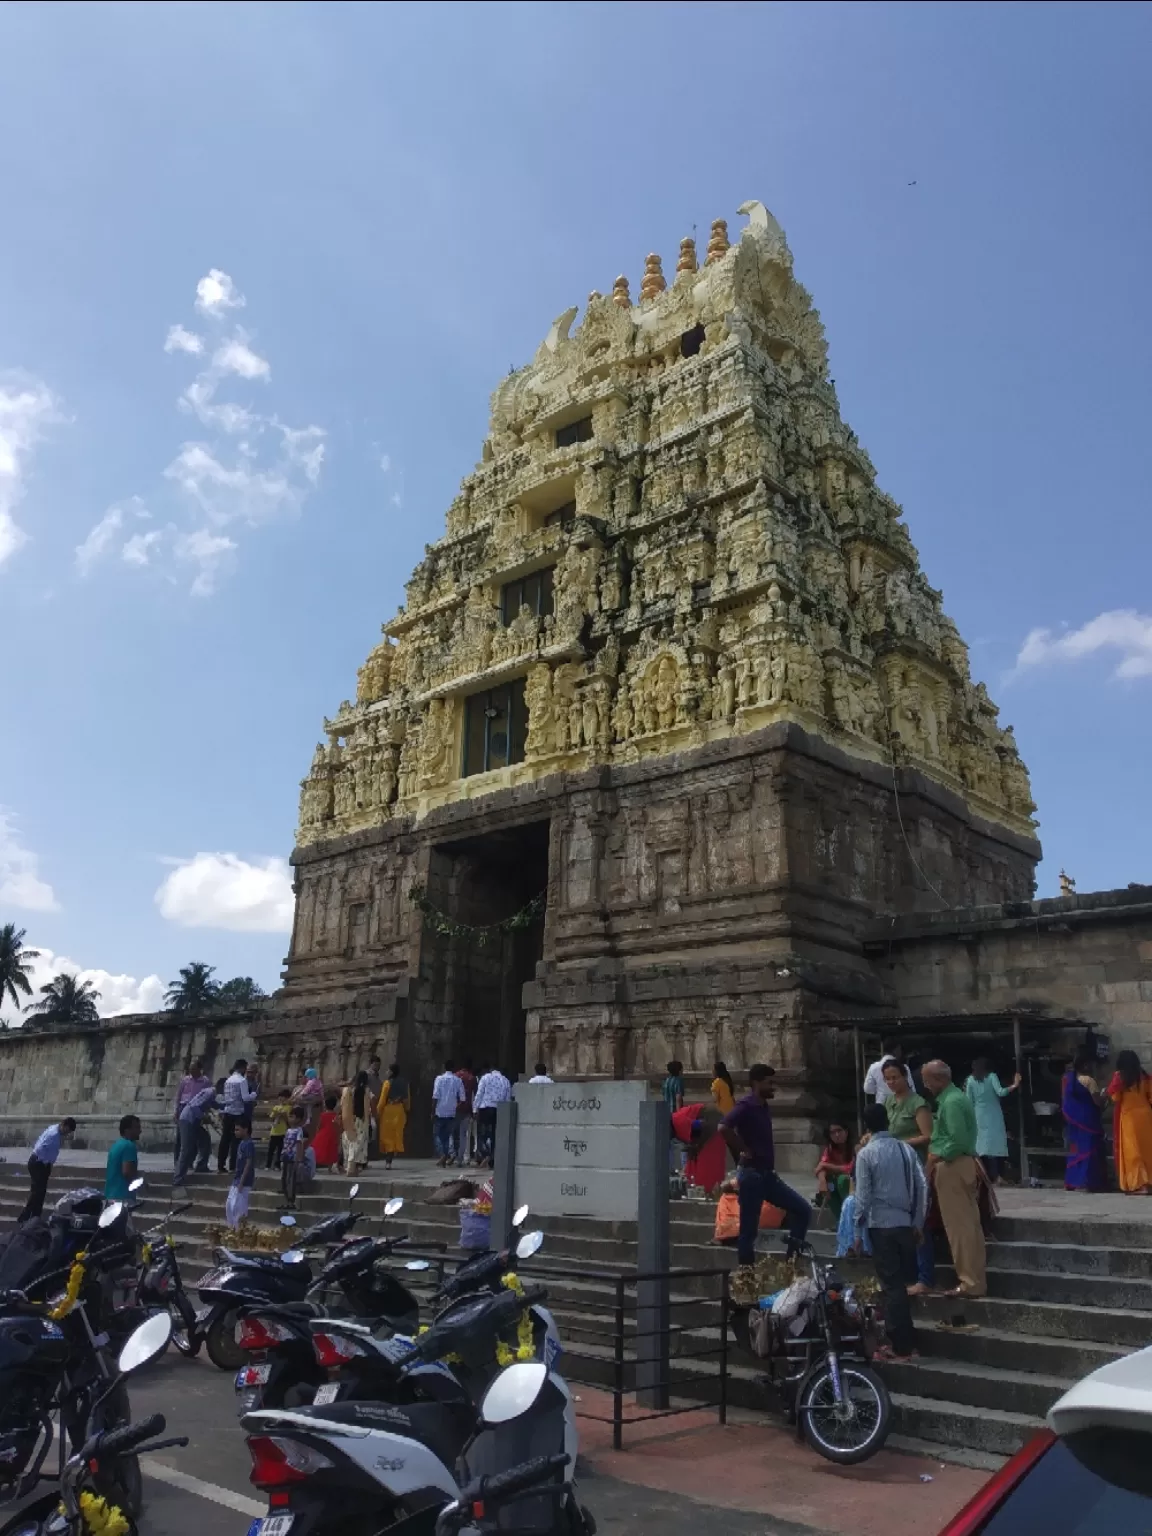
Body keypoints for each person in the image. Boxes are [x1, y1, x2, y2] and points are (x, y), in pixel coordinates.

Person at [852, 1102, 929, 1363]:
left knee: (892, 1287)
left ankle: (902, 1347)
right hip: (905, 1224)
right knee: (902, 1285)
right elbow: (921, 1187)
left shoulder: (866, 1154)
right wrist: (917, 1222)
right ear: (888, 1121)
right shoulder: (906, 1149)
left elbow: (862, 1198)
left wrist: (856, 1232)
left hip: (881, 1226)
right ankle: (909, 1342)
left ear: (867, 1126)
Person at [720, 1064, 812, 1272]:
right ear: (756, 1083)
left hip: (766, 1175)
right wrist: (742, 1149)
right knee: (748, 1231)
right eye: (769, 1083)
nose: (773, 1087)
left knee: (803, 1210)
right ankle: (746, 1278)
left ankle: (791, 1264)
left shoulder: (763, 1106)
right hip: (751, 1176)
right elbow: (723, 1127)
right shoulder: (746, 1105)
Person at [922, 1059, 986, 1298]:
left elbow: (957, 1141)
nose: (926, 1086)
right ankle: (974, 1281)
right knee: (968, 1227)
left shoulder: (951, 1102)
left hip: (952, 1165)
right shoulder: (953, 1099)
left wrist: (936, 1157)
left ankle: (969, 1281)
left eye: (927, 1081)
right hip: (958, 1164)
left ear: (939, 1079)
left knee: (960, 1229)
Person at [884, 1059, 937, 1293]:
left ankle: (925, 1278)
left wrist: (900, 1143)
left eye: (895, 1077)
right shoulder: (888, 1102)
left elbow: (928, 1136)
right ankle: (908, 1274)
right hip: (894, 1171)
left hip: (915, 1168)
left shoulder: (918, 1104)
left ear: (905, 1076)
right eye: (887, 1079)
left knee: (919, 1222)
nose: (892, 1082)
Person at [964, 1058, 1021, 1183]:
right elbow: (1000, 1092)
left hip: (978, 1114)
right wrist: (1014, 1085)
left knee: (981, 1145)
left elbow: (968, 1100)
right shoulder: (991, 1077)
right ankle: (998, 1175)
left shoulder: (970, 1080)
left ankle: (984, 1175)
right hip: (993, 1114)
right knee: (996, 1145)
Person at [1107, 1050, 1152, 1194]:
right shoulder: (1144, 1076)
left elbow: (1115, 1097)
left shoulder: (1120, 1077)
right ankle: (1149, 1183)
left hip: (1129, 1118)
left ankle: (1141, 1185)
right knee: (1147, 1151)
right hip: (1146, 1117)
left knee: (1133, 1153)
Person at [1062, 1050, 1108, 1192]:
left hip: (1073, 1122)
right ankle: (1088, 1183)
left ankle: (1072, 1182)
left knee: (1076, 1151)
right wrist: (1106, 1094)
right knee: (1090, 1151)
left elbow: (1066, 1100)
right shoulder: (1089, 1081)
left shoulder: (1066, 1078)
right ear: (1086, 1065)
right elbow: (1098, 1102)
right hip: (1089, 1121)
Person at [22, 1117, 76, 1221]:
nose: (67, 1133)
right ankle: (26, 1216)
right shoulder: (53, 1134)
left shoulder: (55, 1129)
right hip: (38, 1163)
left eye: (69, 1132)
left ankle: (35, 1216)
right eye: (67, 1130)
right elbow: (40, 1148)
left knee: (40, 1192)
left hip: (42, 1164)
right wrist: (44, 1162)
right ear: (63, 1125)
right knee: (37, 1192)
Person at [671, 1103, 726, 1193]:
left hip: (712, 1130)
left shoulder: (679, 1122)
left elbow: (703, 1126)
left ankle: (709, 1192)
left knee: (707, 1171)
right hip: (707, 1130)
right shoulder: (676, 1122)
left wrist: (697, 1146)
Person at [173, 1059, 214, 1173]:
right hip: (183, 1108)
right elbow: (179, 1095)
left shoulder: (205, 1082)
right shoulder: (185, 1080)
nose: (192, 1071)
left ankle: (190, 1162)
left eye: (194, 1069)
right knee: (181, 1138)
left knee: (195, 1137)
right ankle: (179, 1163)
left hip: (196, 1110)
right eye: (190, 1069)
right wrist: (176, 1111)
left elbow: (207, 1098)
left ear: (199, 1070)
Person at [173, 1082, 216, 1186]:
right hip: (188, 1120)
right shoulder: (209, 1092)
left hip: (193, 1121)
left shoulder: (211, 1095)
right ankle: (178, 1178)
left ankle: (201, 1166)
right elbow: (195, 1107)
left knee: (205, 1140)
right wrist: (204, 1117)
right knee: (186, 1149)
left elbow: (215, 1104)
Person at [218, 1059, 256, 1174]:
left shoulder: (228, 1080)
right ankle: (233, 1166)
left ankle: (221, 1165)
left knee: (225, 1139)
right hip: (238, 1112)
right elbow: (245, 1098)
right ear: (242, 1068)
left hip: (228, 1111)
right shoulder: (242, 1080)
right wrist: (253, 1095)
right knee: (236, 1140)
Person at [473, 1064, 512, 1166]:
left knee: (482, 1133)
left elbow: (479, 1093)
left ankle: (485, 1153)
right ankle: (492, 1157)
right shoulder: (505, 1080)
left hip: (485, 1107)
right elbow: (507, 1098)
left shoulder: (485, 1078)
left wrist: (475, 1109)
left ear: (491, 1070)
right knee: (495, 1134)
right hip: (499, 1109)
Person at [814, 1123, 854, 1217]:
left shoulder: (855, 1148)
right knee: (829, 1184)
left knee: (843, 1180)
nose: (836, 1135)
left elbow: (851, 1168)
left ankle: (850, 1218)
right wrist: (822, 1180)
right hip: (834, 1186)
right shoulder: (830, 1149)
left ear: (846, 1132)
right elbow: (820, 1168)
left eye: (839, 1131)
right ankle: (839, 1220)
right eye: (832, 1132)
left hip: (853, 1185)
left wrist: (826, 1165)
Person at [432, 1061, 466, 1167]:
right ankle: (445, 1156)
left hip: (440, 1111)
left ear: (444, 1067)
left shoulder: (439, 1079)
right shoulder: (458, 1080)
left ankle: (442, 1154)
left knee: (437, 1134)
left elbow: (435, 1096)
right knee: (446, 1136)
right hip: (451, 1112)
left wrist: (432, 1110)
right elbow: (463, 1098)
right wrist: (456, 1106)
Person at [377, 1063, 410, 1169]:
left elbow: (382, 1100)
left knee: (387, 1136)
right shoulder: (404, 1083)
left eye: (388, 1070)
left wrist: (378, 1111)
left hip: (389, 1111)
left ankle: (388, 1160)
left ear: (391, 1072)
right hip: (399, 1110)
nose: (386, 1072)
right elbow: (407, 1099)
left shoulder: (387, 1083)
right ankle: (390, 1159)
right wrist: (407, 1109)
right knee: (396, 1134)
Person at [226, 1118, 257, 1229]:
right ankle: (232, 1229)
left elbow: (248, 1164)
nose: (235, 1132)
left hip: (244, 1181)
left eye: (238, 1130)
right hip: (237, 1179)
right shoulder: (242, 1143)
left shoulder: (249, 1144)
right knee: (230, 1205)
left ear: (246, 1129)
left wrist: (242, 1182)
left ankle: (239, 1230)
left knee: (239, 1208)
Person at [341, 1071, 371, 1176]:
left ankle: (350, 1167)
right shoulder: (365, 1091)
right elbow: (366, 1108)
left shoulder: (347, 1090)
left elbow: (342, 1105)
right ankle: (350, 1167)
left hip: (348, 1118)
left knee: (348, 1141)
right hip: (360, 1120)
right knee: (357, 1143)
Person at [105, 1114, 141, 1201]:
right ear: (127, 1130)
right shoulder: (129, 1146)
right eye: (136, 1128)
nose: (140, 1131)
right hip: (123, 1197)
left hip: (110, 1195)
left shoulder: (116, 1145)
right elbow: (127, 1172)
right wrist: (140, 1182)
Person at [281, 1106, 308, 1209]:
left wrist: (299, 1159)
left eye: (292, 1116)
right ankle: (287, 1200)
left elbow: (299, 1145)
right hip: (286, 1157)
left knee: (291, 1180)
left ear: (298, 1119)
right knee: (284, 1179)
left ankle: (291, 1202)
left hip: (293, 1159)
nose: (290, 1119)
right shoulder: (288, 1131)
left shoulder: (299, 1131)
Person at [310, 1093, 342, 1169]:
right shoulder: (336, 1115)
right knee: (331, 1151)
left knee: (317, 1150)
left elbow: (319, 1126)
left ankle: (314, 1165)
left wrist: (317, 1133)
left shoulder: (323, 1115)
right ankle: (330, 1168)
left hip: (322, 1134)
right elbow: (338, 1126)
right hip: (332, 1134)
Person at [455, 1058, 478, 1164]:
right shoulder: (472, 1078)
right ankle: (464, 1157)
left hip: (455, 1108)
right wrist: (475, 1110)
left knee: (452, 1133)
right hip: (467, 1108)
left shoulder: (456, 1076)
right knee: (465, 1134)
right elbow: (475, 1095)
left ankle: (451, 1154)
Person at [292, 1068, 325, 1136]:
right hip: (298, 1118)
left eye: (301, 1076)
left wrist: (303, 1101)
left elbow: (319, 1100)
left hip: (311, 1117)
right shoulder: (296, 1089)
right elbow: (292, 1100)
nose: (299, 1079)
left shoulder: (314, 1087)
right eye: (298, 1077)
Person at [266, 1086, 292, 1170]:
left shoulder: (289, 1108)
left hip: (283, 1132)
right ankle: (268, 1165)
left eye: (284, 1098)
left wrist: (284, 1115)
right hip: (274, 1131)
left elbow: (289, 1120)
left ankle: (277, 1165)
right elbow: (271, 1118)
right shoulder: (276, 1107)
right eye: (280, 1097)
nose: (282, 1099)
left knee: (280, 1150)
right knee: (271, 1149)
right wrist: (275, 1113)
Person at [365, 1056, 384, 1157]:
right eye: (376, 1065)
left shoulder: (377, 1077)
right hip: (368, 1104)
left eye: (379, 1065)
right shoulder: (367, 1075)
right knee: (372, 1128)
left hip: (376, 1104)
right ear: (371, 1064)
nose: (377, 1067)